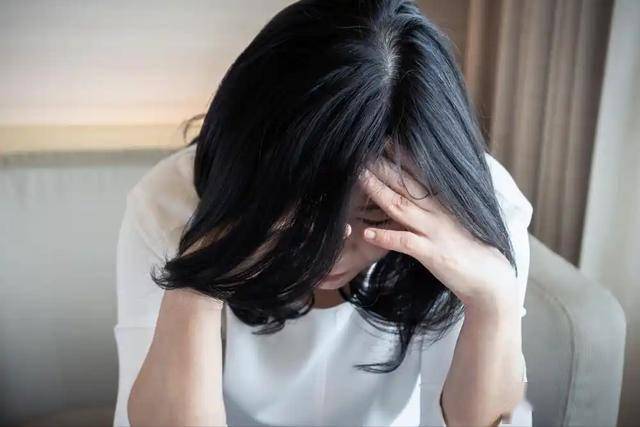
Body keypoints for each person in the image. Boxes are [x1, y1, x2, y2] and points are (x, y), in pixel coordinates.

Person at [113, 0, 534, 425]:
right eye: (308, 215)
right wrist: (195, 291)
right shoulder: (170, 205)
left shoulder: (477, 212)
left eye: (377, 214)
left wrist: (493, 304)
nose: (332, 252)